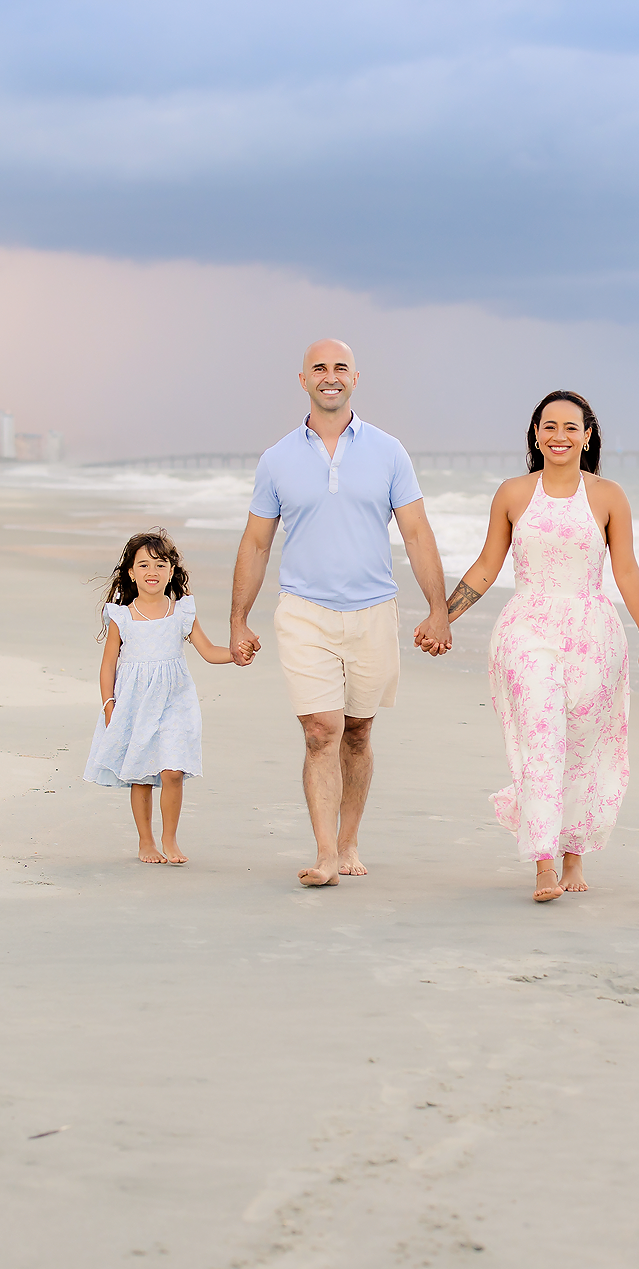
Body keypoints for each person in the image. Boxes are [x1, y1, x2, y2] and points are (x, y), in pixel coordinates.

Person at [229, 339, 451, 887]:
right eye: (320, 368)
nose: (331, 376)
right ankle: (326, 853)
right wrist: (239, 619)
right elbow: (256, 543)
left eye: (341, 368)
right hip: (304, 610)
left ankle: (349, 841)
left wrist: (438, 609)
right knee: (320, 730)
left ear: (357, 378)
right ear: (302, 379)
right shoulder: (277, 458)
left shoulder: (388, 451)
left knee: (356, 731)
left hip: (374, 610)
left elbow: (417, 533)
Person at [443, 390, 639, 903]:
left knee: (582, 747)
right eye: (549, 426)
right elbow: (487, 565)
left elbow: (626, 570)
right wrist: (443, 614)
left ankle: (574, 854)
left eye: (571, 427)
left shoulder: (609, 496)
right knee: (542, 736)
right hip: (528, 627)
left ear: (587, 435)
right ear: (535, 434)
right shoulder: (513, 493)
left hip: (593, 633)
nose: (559, 436)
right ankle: (543, 862)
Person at [83, 529, 236, 865]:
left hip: (175, 699)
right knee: (140, 774)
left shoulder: (181, 612)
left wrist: (236, 654)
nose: (152, 571)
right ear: (130, 573)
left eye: (160, 564)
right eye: (143, 565)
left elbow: (208, 651)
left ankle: (170, 838)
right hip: (134, 702)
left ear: (171, 571)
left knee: (172, 770)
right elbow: (108, 664)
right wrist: (109, 703)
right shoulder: (122, 616)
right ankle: (146, 842)